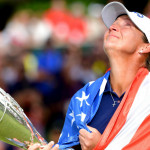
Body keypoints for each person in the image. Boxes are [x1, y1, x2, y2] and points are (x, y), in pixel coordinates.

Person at [28, 1, 150, 150]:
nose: (112, 27)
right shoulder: (83, 96)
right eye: (114, 24)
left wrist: (101, 146)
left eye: (127, 25)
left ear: (146, 46)